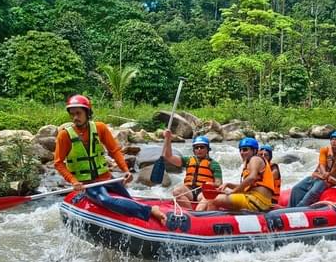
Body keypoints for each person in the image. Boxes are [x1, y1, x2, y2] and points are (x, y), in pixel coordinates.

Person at [54, 95, 166, 224]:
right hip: (88, 183)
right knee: (106, 200)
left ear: (88, 112)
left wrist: (125, 170)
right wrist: (73, 181)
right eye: (72, 114)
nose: (75, 117)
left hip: (107, 177)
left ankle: (148, 214)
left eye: (78, 113)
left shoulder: (100, 128)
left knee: (127, 199)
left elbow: (114, 151)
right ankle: (151, 209)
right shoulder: (64, 135)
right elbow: (58, 163)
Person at [201, 137, 275, 212]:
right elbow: (246, 186)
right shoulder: (249, 162)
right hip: (253, 198)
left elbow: (252, 177)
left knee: (213, 200)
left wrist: (233, 191)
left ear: (254, 150)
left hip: (258, 201)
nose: (242, 152)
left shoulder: (255, 159)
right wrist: (228, 184)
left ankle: (207, 222)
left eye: (245, 149)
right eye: (241, 150)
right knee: (220, 195)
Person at [162, 129, 222, 209]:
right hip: (189, 191)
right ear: (194, 150)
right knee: (176, 191)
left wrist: (211, 184)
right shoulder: (188, 160)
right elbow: (168, 157)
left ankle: (198, 213)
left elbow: (219, 183)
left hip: (203, 192)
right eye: (197, 147)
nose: (199, 149)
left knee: (208, 196)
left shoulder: (214, 164)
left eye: (202, 147)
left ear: (207, 149)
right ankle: (190, 212)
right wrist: (168, 139)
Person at [289, 131, 336, 207]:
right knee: (296, 188)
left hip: (326, 182)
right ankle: (289, 208)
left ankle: (299, 208)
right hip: (315, 177)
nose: (333, 141)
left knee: (313, 192)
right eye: (332, 139)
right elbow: (322, 163)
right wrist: (324, 172)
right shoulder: (324, 150)